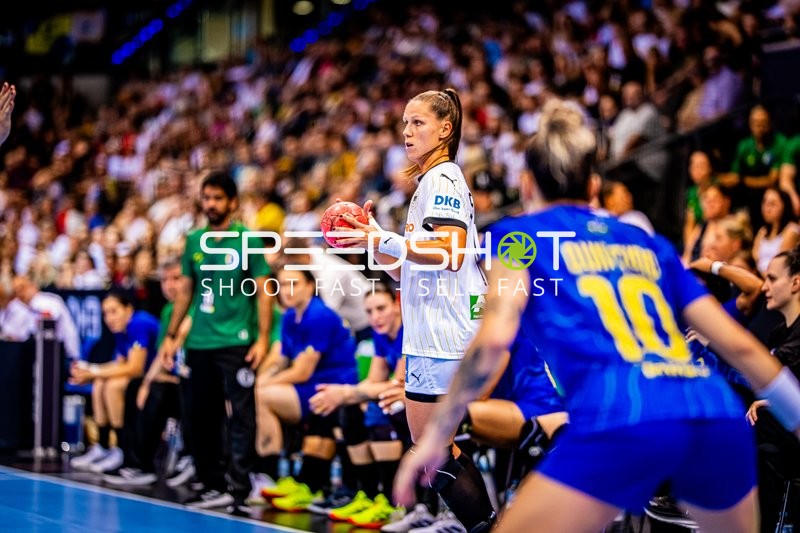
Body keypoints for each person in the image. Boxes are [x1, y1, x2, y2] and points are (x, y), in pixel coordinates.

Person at [394, 98, 800, 533]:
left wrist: (437, 434)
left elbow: (492, 342)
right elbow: (739, 345)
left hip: (621, 415)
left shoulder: (517, 239)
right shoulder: (645, 243)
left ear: (527, 185)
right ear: (592, 187)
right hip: (710, 414)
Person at [338, 88, 496, 532]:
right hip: (434, 331)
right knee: (435, 449)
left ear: (445, 129)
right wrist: (373, 239)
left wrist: (382, 240)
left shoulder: (442, 179)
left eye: (418, 122)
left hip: (445, 334)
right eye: (405, 123)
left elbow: (448, 251)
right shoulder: (430, 182)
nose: (407, 131)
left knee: (432, 450)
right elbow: (410, 267)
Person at [160, 171, 274, 512]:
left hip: (236, 342)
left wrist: (263, 337)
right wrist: (171, 335)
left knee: (241, 416)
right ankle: (210, 484)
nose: (210, 204)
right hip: (199, 342)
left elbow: (264, 289)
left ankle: (238, 489)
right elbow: (184, 290)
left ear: (232, 202)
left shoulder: (248, 239)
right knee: (198, 416)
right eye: (206, 197)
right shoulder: (194, 240)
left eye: (217, 198)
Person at [255, 268, 361, 512]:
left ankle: (267, 473)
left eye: (293, 283)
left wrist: (264, 385)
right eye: (282, 284)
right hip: (309, 385)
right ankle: (277, 476)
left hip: (332, 385)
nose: (286, 290)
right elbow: (280, 359)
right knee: (256, 392)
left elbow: (302, 371)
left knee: (263, 397)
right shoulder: (290, 316)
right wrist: (260, 378)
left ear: (310, 286)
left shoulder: (319, 315)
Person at [68, 292, 159, 475]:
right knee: (101, 383)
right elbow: (120, 363)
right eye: (105, 313)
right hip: (142, 377)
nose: (109, 318)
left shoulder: (139, 323)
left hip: (158, 379)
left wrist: (93, 371)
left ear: (128, 309)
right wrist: (92, 371)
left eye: (114, 311)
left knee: (112, 386)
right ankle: (102, 446)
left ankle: (122, 449)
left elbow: (135, 368)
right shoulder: (121, 330)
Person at [747, 250, 800, 532]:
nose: (764, 287)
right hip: (781, 436)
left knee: (760, 423)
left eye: (771, 278)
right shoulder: (779, 332)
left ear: (796, 283)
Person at [753, 187, 799, 275]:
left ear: (784, 206)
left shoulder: (792, 230)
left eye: (772, 204)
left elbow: (781, 263)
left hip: (779, 277)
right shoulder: (763, 230)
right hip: (761, 275)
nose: (767, 208)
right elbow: (755, 255)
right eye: (764, 203)